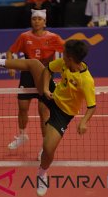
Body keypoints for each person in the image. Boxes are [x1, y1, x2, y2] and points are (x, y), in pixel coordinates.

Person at [0, 39, 96, 196]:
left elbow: (92, 106)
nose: (62, 54)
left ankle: (42, 173)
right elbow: (47, 70)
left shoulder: (86, 80)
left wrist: (84, 122)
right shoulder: (65, 63)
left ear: (70, 57)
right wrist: (45, 88)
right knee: (34, 63)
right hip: (52, 95)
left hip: (63, 114)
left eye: (64, 53)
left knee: (48, 148)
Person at [6, 9, 64, 159]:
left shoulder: (53, 37)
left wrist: (64, 69)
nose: (36, 21)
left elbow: (67, 52)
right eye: (34, 19)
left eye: (39, 19)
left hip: (45, 75)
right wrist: (11, 65)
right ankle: (22, 135)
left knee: (43, 110)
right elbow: (10, 52)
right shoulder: (24, 37)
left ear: (45, 22)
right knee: (22, 107)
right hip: (27, 76)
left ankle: (44, 146)